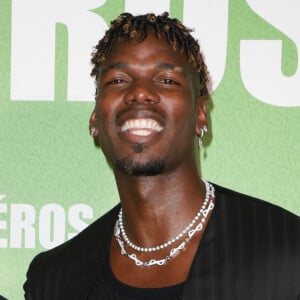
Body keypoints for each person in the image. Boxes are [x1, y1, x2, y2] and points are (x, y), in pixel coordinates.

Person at [24, 12, 300, 300]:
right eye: (118, 80)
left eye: (167, 80)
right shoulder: (53, 280)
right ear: (95, 119)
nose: (140, 93)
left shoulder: (286, 251)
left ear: (200, 113)